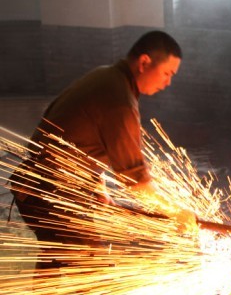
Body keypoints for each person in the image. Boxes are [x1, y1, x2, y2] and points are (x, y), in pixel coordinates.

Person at [9, 30, 197, 272]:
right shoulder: (120, 102)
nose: (168, 82)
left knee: (56, 257)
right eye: (167, 73)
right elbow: (136, 182)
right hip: (54, 194)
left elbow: (76, 138)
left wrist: (98, 185)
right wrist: (175, 213)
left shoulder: (105, 76)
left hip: (37, 188)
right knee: (93, 269)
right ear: (144, 63)